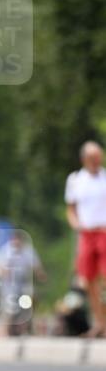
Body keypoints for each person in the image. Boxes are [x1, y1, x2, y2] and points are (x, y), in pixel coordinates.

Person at [65, 140, 106, 337]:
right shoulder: (75, 180)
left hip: (104, 231)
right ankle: (99, 323)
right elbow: (71, 209)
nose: (96, 161)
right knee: (88, 281)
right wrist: (76, 225)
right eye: (92, 157)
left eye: (98, 156)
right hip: (86, 233)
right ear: (84, 159)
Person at [0, 230, 46, 336]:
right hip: (9, 284)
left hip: (23, 282)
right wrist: (4, 271)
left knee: (27, 304)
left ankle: (24, 329)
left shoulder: (28, 251)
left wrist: (41, 275)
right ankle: (4, 332)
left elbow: (36, 266)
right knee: (10, 308)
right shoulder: (6, 251)